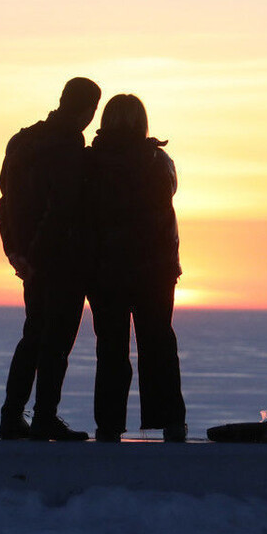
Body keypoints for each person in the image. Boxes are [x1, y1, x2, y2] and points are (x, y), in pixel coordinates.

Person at [0, 77, 101, 441]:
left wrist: (16, 252)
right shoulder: (69, 145)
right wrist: (38, 254)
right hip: (61, 259)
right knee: (55, 342)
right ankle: (44, 417)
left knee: (33, 335)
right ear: (88, 110)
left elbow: (4, 201)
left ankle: (12, 416)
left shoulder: (22, 140)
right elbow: (62, 207)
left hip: (30, 259)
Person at [84, 94, 187, 442]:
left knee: (111, 348)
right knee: (159, 344)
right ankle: (171, 422)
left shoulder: (91, 162)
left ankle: (109, 424)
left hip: (105, 270)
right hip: (154, 270)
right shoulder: (159, 161)